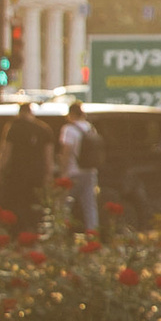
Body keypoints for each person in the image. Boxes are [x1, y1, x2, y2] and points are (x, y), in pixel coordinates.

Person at [54, 94, 98, 234]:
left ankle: (61, 233)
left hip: (73, 172)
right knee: (90, 205)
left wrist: (63, 172)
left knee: (64, 205)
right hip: (90, 171)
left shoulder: (69, 129)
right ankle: (93, 232)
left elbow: (67, 151)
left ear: (71, 114)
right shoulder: (90, 128)